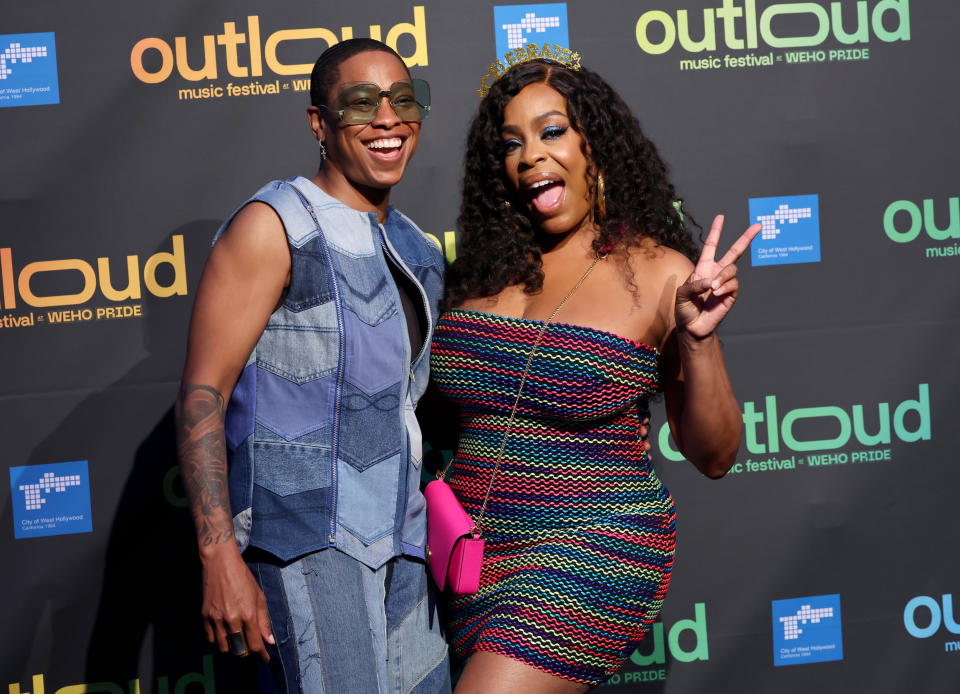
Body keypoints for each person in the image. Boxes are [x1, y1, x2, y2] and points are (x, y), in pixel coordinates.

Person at [429, 56, 761, 693]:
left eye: (552, 132)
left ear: (593, 145)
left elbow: (715, 455)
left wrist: (699, 339)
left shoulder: (660, 273)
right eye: (512, 142)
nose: (531, 155)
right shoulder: (482, 273)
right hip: (470, 554)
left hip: (589, 547)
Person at [175, 39, 451, 694]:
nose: (388, 118)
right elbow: (202, 395)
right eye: (362, 102)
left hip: (408, 550)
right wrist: (218, 554)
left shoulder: (417, 247)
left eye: (403, 99)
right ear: (319, 123)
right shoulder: (275, 225)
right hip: (307, 541)